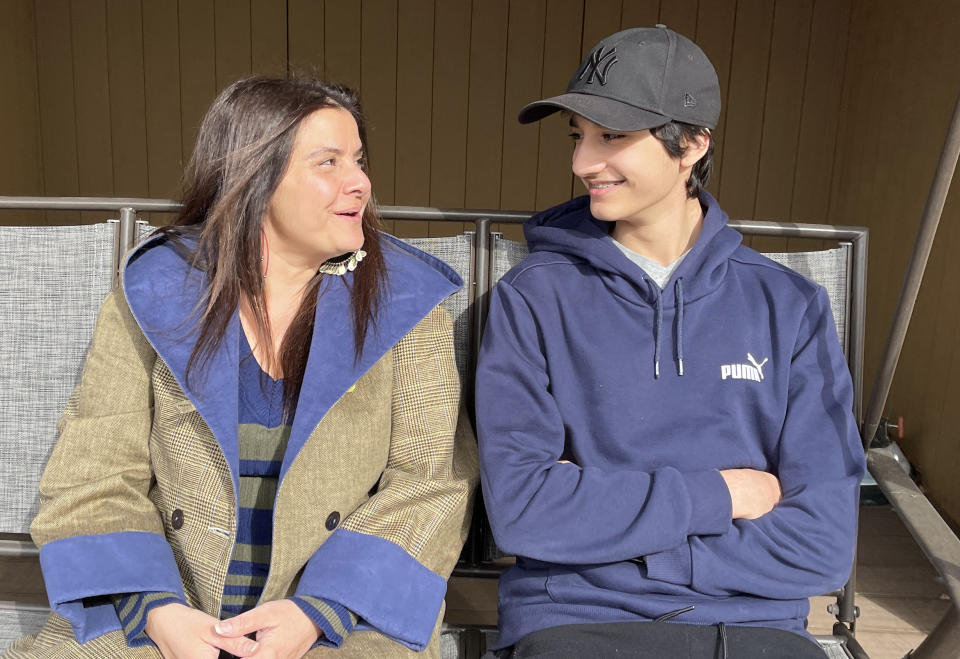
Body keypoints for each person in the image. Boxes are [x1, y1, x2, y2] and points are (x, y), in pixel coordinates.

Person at [5, 77, 477, 659]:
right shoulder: (157, 292)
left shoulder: (405, 304)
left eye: (357, 160)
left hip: (343, 620)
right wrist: (157, 611)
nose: (359, 182)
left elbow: (430, 483)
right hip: (170, 615)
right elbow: (94, 473)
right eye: (328, 162)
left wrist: (317, 612)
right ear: (253, 175)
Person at [475, 26, 865, 658]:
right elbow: (524, 510)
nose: (581, 163)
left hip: (755, 628)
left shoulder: (789, 306)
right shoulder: (533, 296)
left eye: (612, 137)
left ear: (691, 144)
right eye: (578, 137)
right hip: (575, 622)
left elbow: (822, 544)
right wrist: (725, 495)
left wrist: (612, 529)